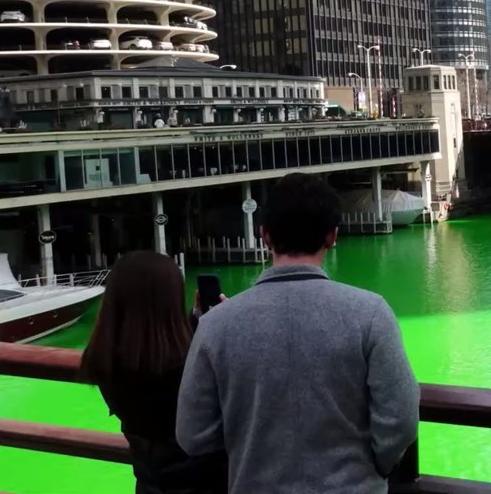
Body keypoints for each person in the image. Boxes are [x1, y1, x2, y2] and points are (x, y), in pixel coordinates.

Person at [176, 173, 419, 494]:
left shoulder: (216, 324)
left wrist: (248, 454)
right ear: (332, 236)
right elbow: (400, 418)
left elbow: (192, 434)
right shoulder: (370, 313)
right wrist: (373, 468)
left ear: (264, 235)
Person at [80, 251, 227, 494]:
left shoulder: (105, 361)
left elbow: (156, 352)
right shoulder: (189, 367)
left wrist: (197, 321)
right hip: (207, 484)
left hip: (150, 481)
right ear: (171, 298)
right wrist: (223, 329)